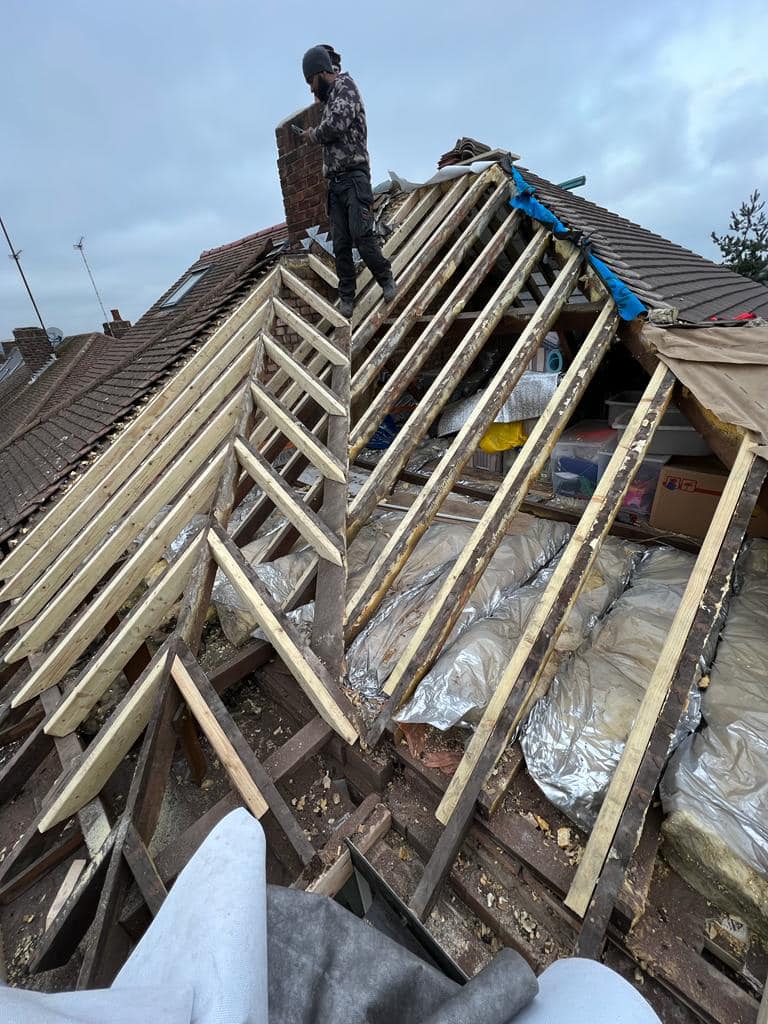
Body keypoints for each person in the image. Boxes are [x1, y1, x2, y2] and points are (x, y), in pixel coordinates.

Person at [295, 46, 396, 320]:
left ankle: (385, 278)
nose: (310, 89)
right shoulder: (328, 102)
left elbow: (336, 126)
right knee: (340, 243)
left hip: (354, 177)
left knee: (361, 234)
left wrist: (312, 134)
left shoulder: (345, 87)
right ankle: (347, 297)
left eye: (310, 82)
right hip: (335, 182)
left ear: (319, 73)